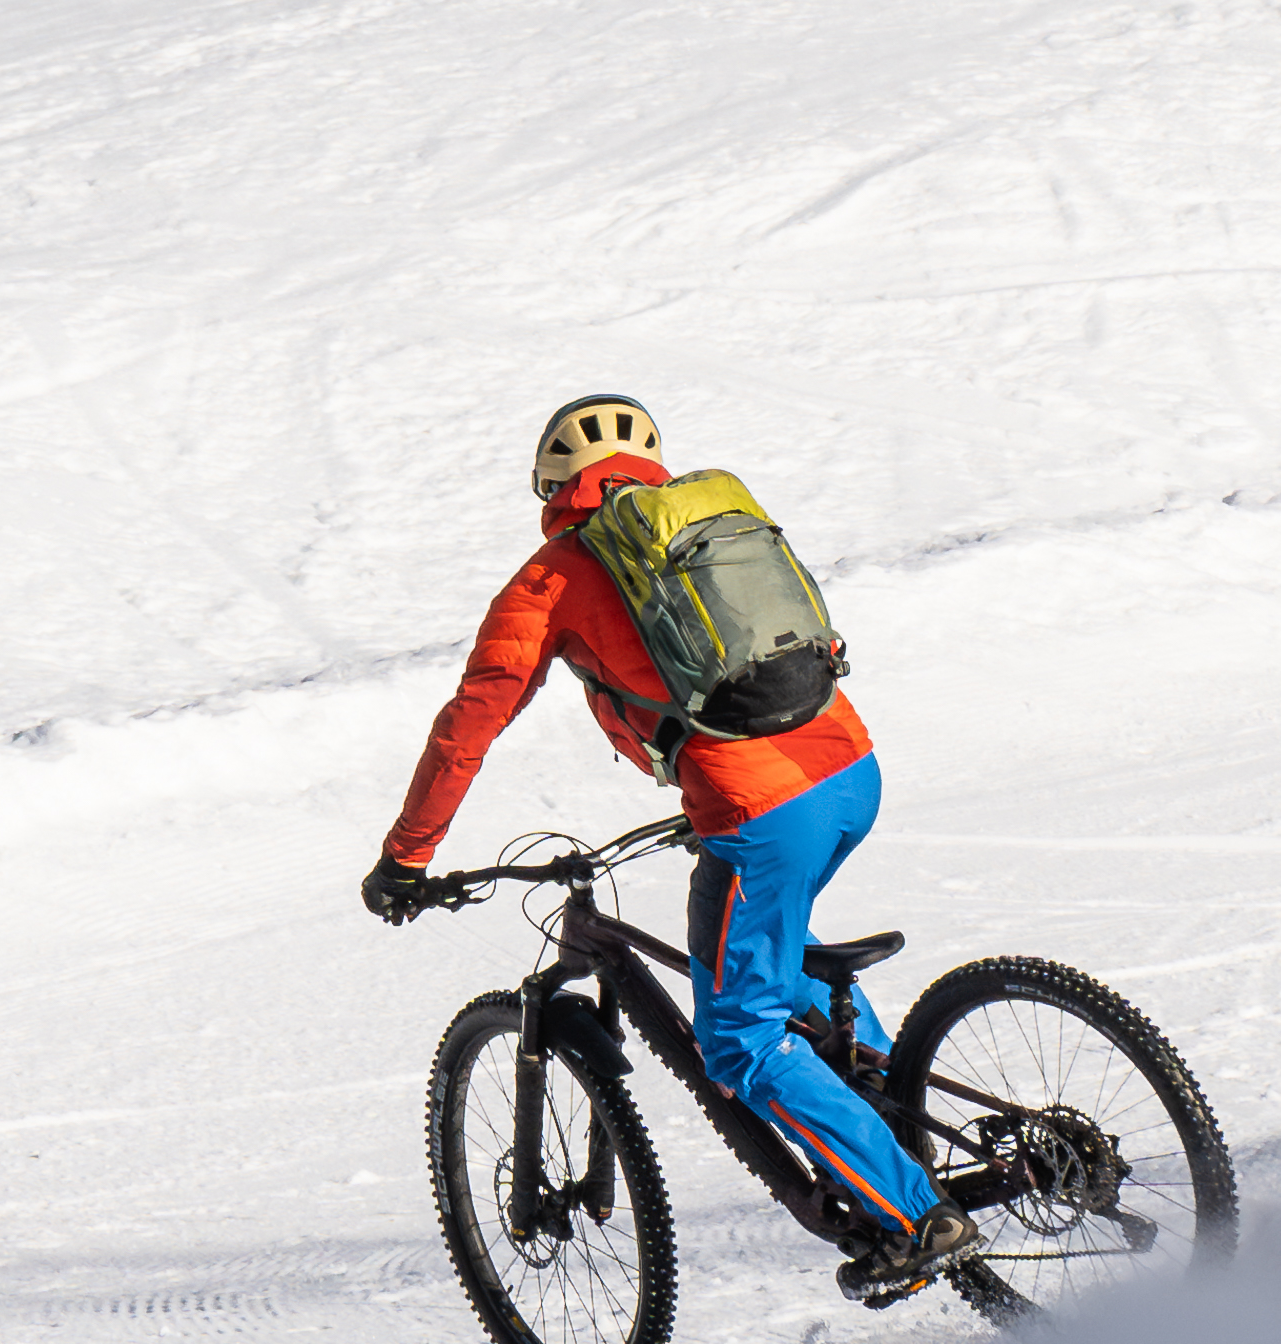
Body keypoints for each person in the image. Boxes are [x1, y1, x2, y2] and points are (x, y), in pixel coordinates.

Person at [363, 394, 976, 1294]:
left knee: (738, 1040)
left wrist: (406, 858)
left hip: (759, 811)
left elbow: (469, 726)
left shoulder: (554, 577)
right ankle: (886, 1107)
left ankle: (916, 1217)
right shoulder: (715, 519)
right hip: (849, 769)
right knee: (760, 955)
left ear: (551, 485)